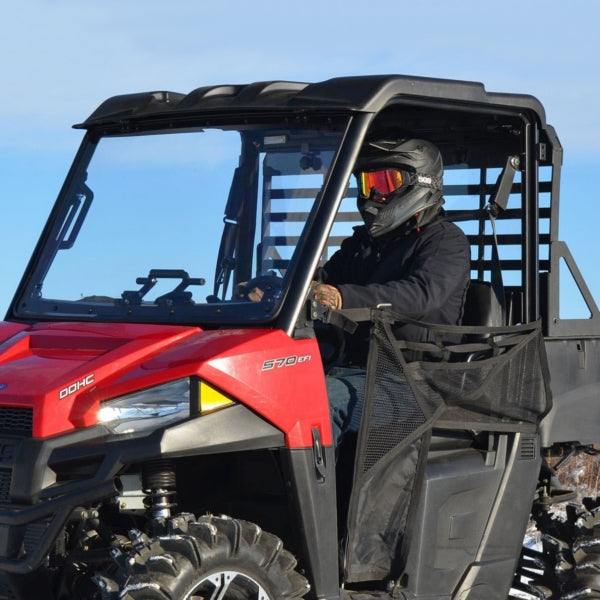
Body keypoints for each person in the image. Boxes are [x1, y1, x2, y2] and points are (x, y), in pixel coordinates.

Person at [310, 136, 471, 447]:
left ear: (419, 183)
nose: (373, 194)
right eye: (367, 183)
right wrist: (278, 289)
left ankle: (312, 496)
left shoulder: (444, 241)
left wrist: (342, 297)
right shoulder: (362, 245)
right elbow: (322, 280)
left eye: (384, 182)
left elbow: (421, 295)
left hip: (411, 379)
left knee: (320, 402)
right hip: (351, 367)